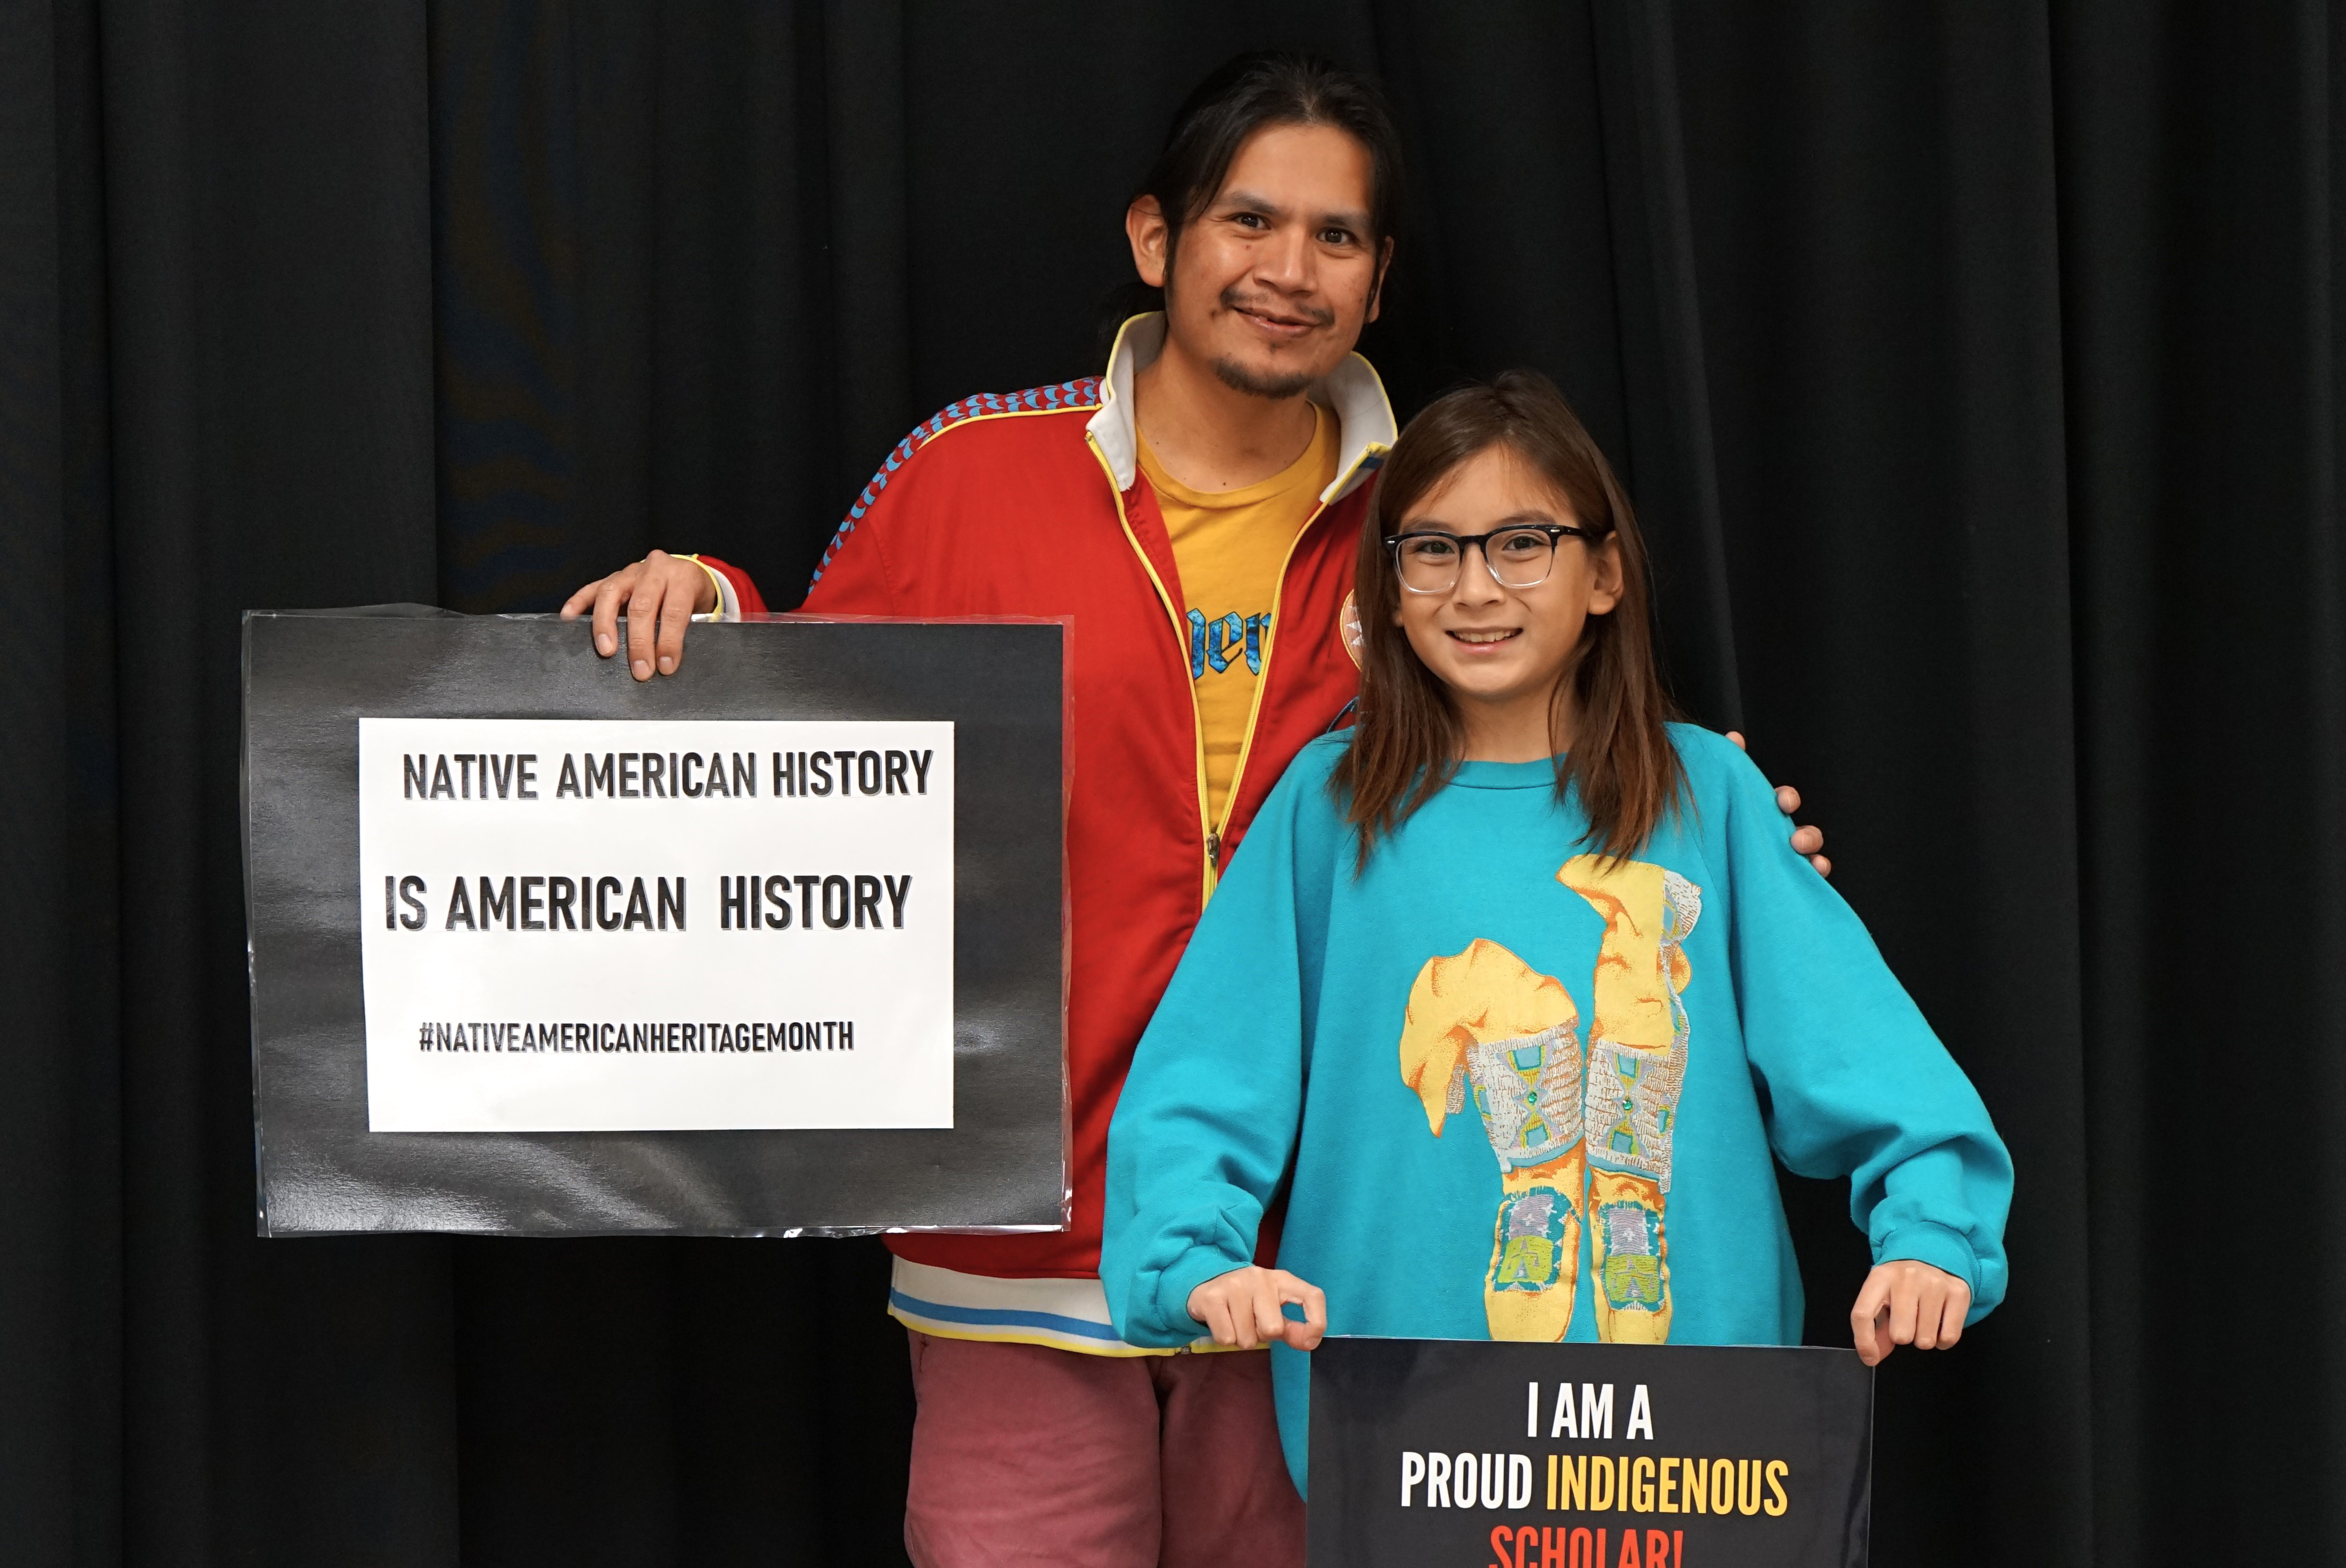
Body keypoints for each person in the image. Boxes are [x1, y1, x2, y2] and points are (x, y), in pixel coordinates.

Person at [558, 53, 1827, 1568]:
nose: (1289, 271)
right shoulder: (972, 474)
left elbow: (1553, 773)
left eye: (1336, 238)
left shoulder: (1433, 516)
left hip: (1330, 1247)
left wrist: (1727, 849)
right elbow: (815, 749)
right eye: (1249, 221)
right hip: (1015, 1243)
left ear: (1378, 279)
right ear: (1156, 240)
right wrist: (707, 606)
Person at [1100, 371, 2013, 1496]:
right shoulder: (1327, 811)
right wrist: (1193, 1261)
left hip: (1694, 1450)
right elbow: (1206, 1076)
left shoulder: (1709, 798)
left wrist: (1929, 1235)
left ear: (1604, 573)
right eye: (1430, 549)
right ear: (1384, 589)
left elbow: (1870, 1061)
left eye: (1520, 542)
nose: (1473, 587)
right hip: (1414, 1443)